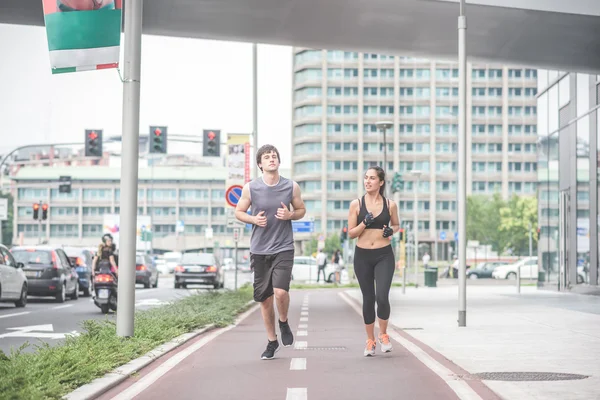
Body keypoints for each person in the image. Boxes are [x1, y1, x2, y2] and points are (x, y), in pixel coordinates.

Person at [235, 144, 306, 360]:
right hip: (259, 249)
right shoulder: (251, 188)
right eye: (267, 157)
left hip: (283, 246)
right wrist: (253, 219)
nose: (271, 159)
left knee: (280, 292)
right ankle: (272, 341)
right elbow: (239, 211)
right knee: (264, 299)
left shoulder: (290, 186)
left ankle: (283, 322)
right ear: (260, 164)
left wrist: (290, 216)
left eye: (274, 156)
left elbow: (301, 210)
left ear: (279, 161)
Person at [347, 166, 400, 356]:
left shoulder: (390, 204)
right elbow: (351, 233)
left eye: (372, 178)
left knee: (382, 297)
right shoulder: (357, 205)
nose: (367, 181)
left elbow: (396, 225)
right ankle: (370, 341)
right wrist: (364, 223)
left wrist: (391, 231)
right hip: (362, 257)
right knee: (368, 299)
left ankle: (383, 335)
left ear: (381, 182)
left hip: (384, 255)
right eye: (365, 178)